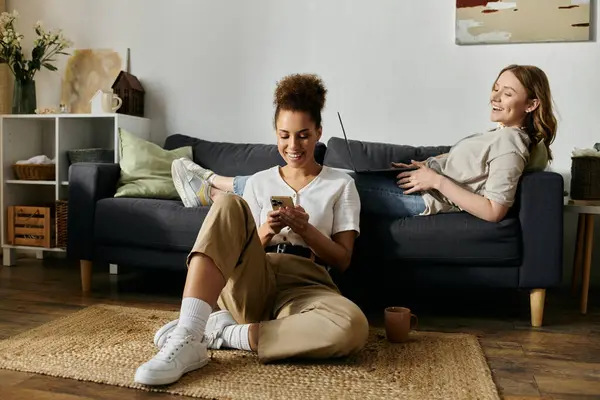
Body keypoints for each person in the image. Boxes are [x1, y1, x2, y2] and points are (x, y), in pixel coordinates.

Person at [134, 73, 369, 386]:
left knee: (353, 326)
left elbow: (342, 259)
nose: (293, 145)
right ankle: (188, 334)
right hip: (255, 276)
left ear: (318, 134)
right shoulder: (259, 182)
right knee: (228, 203)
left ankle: (224, 333)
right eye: (284, 135)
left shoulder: (341, 184)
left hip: (307, 285)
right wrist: (267, 231)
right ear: (275, 133)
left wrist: (307, 229)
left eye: (303, 135)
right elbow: (239, 248)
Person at [171, 64, 557, 223]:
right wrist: (431, 165)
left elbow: (494, 210)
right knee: (322, 178)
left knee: (323, 182)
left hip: (418, 197)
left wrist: (436, 181)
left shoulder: (512, 144)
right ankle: (222, 194)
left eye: (507, 93)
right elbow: (468, 169)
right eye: (495, 89)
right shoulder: (500, 136)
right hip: (416, 183)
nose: (495, 97)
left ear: (531, 103)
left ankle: (214, 184)